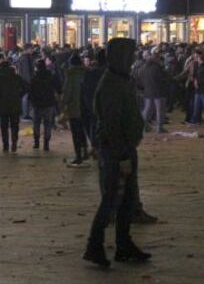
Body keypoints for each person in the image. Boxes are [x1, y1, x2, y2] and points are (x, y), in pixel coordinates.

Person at [83, 38, 151, 268]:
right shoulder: (112, 83)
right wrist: (122, 155)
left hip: (124, 147)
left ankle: (124, 244)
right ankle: (95, 245)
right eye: (129, 55)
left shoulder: (120, 80)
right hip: (115, 150)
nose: (132, 59)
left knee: (127, 200)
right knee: (112, 199)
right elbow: (112, 123)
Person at [62, 54, 89, 166]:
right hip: (86, 108)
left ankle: (78, 155)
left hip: (75, 108)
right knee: (83, 131)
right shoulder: (87, 73)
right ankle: (85, 151)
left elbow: (67, 93)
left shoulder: (71, 75)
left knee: (76, 133)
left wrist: (63, 103)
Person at [28, 59, 59, 151]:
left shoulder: (34, 78)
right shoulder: (51, 77)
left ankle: (36, 142)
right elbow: (58, 88)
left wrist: (31, 102)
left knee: (36, 124)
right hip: (49, 104)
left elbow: (30, 91)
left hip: (37, 104)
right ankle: (46, 144)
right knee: (47, 124)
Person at [81, 49, 106, 158]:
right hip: (102, 108)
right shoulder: (111, 75)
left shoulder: (89, 74)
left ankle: (95, 146)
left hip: (90, 106)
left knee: (93, 124)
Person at [138, 47, 168, 133]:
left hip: (148, 91)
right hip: (158, 91)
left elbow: (141, 78)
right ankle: (159, 127)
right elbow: (162, 79)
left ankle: (143, 126)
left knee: (147, 110)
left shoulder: (144, 67)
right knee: (160, 110)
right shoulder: (157, 67)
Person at [0, 53, 25, 152]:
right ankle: (14, 144)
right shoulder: (16, 77)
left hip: (2, 106)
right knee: (15, 125)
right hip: (15, 105)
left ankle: (6, 145)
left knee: (4, 126)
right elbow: (26, 87)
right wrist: (20, 95)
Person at [17, 43, 34, 120]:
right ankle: (25, 114)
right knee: (26, 97)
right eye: (31, 48)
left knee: (26, 97)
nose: (32, 50)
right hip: (26, 81)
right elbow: (27, 71)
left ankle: (26, 114)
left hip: (23, 80)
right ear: (27, 49)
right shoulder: (26, 58)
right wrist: (30, 81)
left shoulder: (23, 57)